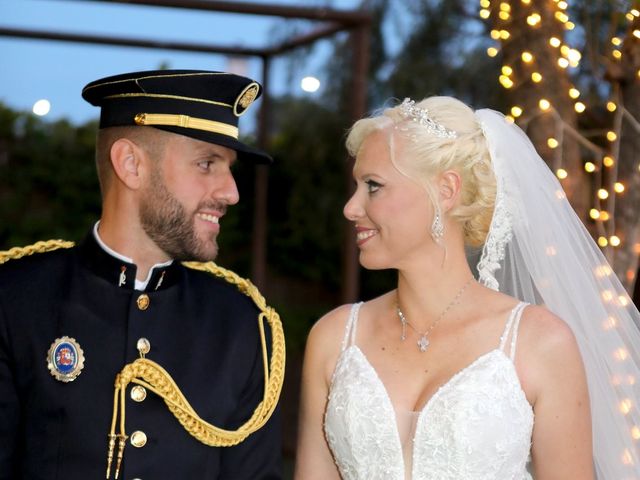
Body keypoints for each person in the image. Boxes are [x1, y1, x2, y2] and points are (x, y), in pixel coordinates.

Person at [294, 96, 640, 479]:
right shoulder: (333, 338)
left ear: (446, 190)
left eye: (373, 186)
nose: (351, 207)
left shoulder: (540, 343)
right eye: (356, 185)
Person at [0, 69, 285, 480]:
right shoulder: (15, 300)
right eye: (207, 164)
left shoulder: (243, 325)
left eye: (229, 168)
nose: (231, 192)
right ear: (131, 164)